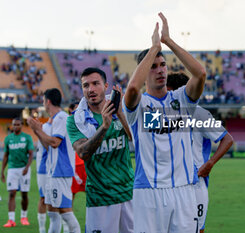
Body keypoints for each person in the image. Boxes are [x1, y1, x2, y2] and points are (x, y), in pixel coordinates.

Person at [123, 12, 206, 233]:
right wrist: (153, 48)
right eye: (153, 66)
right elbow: (132, 89)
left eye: (163, 64)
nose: (160, 70)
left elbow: (200, 73)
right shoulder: (138, 107)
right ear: (143, 70)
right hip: (149, 192)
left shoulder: (181, 100)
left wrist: (167, 42)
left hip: (183, 190)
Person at [66, 67, 134, 233]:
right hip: (100, 198)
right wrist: (104, 127)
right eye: (86, 85)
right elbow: (83, 153)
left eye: (95, 83)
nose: (90, 89)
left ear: (106, 86)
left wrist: (120, 114)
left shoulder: (124, 109)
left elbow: (136, 140)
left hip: (129, 194)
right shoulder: (75, 120)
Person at [167, 73, 234, 233]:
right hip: (169, 184)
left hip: (195, 184)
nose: (166, 96)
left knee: (197, 230)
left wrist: (210, 163)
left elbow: (227, 139)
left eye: (169, 92)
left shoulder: (199, 114)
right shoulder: (162, 114)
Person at [27, 88, 80, 233]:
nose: (43, 103)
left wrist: (38, 130)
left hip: (61, 171)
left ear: (48, 101)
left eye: (43, 100)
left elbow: (55, 143)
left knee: (66, 213)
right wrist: (37, 130)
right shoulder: (55, 120)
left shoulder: (62, 117)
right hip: (53, 172)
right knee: (52, 213)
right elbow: (48, 146)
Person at [1, 117, 34, 227]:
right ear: (12, 125)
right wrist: (2, 171)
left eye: (18, 124)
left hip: (24, 169)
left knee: (24, 194)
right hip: (12, 169)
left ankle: (24, 217)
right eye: (14, 124)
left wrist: (27, 167)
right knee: (11, 194)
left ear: (21, 125)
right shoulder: (8, 139)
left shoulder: (27, 138)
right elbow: (5, 156)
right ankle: (11, 220)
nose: (16, 126)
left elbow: (31, 154)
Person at [36, 118, 51, 233]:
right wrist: (38, 131)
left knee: (57, 201)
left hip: (58, 168)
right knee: (43, 198)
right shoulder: (44, 127)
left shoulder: (62, 123)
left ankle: (63, 228)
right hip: (44, 169)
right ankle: (42, 229)